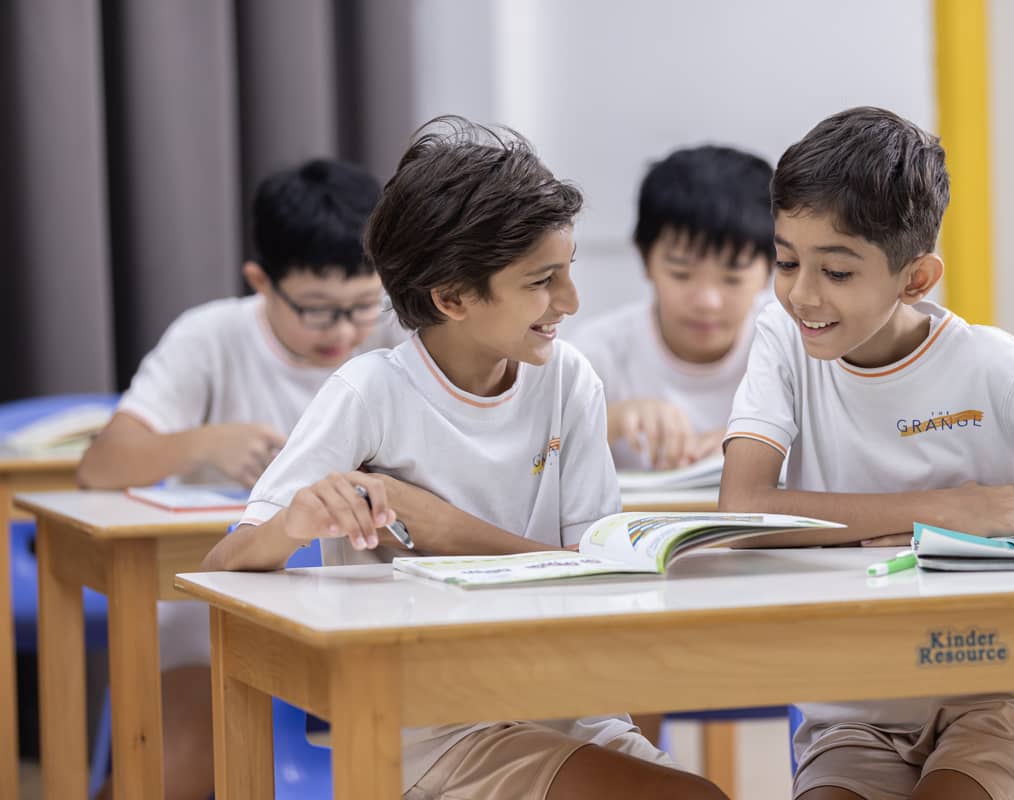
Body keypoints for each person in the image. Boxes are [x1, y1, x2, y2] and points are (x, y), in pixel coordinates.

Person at [202, 117, 727, 800]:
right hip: (435, 725)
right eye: (541, 281)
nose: (571, 302)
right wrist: (292, 522)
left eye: (568, 271)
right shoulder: (370, 392)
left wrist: (449, 531)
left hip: (568, 704)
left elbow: (598, 574)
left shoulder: (568, 380)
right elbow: (222, 567)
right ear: (451, 297)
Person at [719, 106, 1014, 800]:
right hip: (857, 712)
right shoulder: (782, 341)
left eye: (836, 271)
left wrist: (1012, 521)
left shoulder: (992, 366)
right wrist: (943, 513)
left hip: (1000, 697)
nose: (801, 294)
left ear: (915, 279)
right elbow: (743, 509)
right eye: (786, 262)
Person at [80, 157, 401, 800]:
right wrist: (203, 442)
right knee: (179, 762)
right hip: (211, 637)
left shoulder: (399, 336)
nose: (345, 330)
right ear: (261, 282)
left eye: (364, 305)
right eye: (318, 310)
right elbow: (101, 464)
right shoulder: (211, 337)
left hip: (371, 631)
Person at [572, 145, 773, 470]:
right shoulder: (597, 356)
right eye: (681, 273)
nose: (707, 302)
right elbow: (534, 454)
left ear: (772, 268)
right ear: (645, 259)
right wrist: (608, 421)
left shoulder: (795, 349)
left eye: (732, 278)